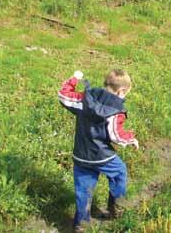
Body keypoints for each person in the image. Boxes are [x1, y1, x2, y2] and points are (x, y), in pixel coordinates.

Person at [58, 69, 139, 232]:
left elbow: (64, 95)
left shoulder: (84, 99)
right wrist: (130, 138)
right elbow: (115, 135)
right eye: (125, 94)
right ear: (121, 91)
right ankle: (116, 208)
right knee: (119, 172)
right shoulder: (115, 110)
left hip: (81, 155)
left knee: (83, 190)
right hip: (102, 156)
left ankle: (81, 224)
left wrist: (75, 78)